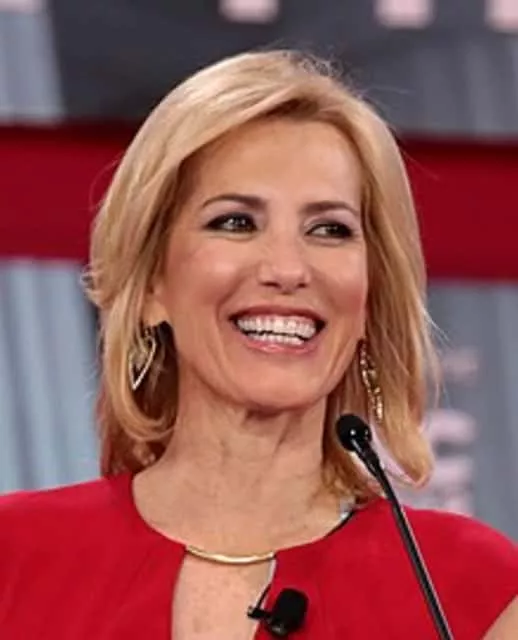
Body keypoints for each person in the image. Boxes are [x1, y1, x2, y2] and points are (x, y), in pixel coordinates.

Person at [0, 50, 516, 640]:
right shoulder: (14, 558)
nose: (288, 269)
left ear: (370, 297)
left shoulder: (477, 594)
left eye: (330, 230)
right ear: (151, 284)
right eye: (236, 222)